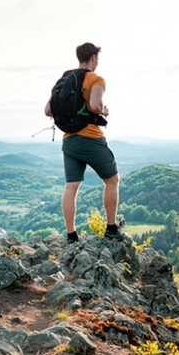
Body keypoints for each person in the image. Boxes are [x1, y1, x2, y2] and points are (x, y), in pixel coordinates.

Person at [44, 42, 125, 244]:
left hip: (68, 140)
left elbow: (47, 110)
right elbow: (94, 105)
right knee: (112, 180)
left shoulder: (66, 79)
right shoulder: (95, 79)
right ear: (94, 58)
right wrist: (103, 111)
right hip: (90, 137)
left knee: (71, 186)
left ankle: (71, 236)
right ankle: (112, 229)